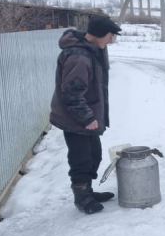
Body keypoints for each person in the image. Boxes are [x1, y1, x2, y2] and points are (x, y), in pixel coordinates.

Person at [50, 14, 121, 214]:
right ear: (101, 34)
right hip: (76, 118)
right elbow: (71, 93)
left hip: (86, 115)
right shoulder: (79, 57)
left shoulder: (92, 50)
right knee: (81, 158)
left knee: (93, 156)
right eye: (110, 36)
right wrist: (87, 118)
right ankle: (81, 198)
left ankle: (88, 191)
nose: (112, 40)